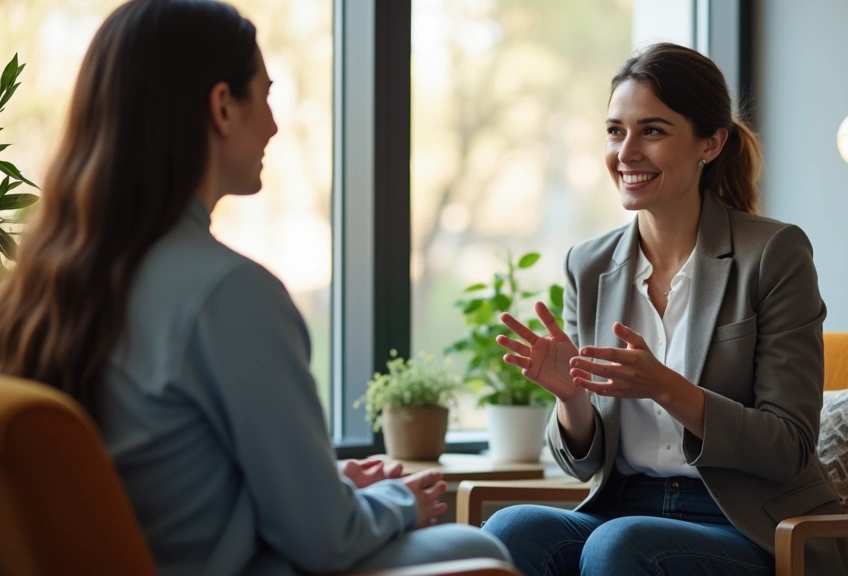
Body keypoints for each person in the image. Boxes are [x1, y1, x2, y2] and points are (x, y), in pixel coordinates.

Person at [0, 1, 509, 575]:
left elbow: (156, 484)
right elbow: (326, 540)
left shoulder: (45, 287)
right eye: (265, 96)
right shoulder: (229, 293)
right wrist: (398, 501)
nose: (272, 123)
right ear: (222, 106)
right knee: (480, 548)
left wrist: (323, 484)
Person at [482, 43, 848, 576]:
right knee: (510, 531)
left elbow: (788, 447)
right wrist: (572, 398)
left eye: (651, 131)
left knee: (620, 545)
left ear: (711, 143)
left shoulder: (773, 253)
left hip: (748, 526)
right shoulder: (587, 266)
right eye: (615, 131)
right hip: (622, 510)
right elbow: (581, 461)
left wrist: (666, 387)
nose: (626, 152)